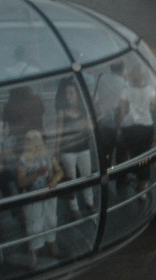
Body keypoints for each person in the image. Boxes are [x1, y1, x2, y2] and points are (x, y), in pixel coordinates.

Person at [16, 130, 63, 269]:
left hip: (48, 194)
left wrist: (54, 180)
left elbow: (60, 171)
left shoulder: (47, 154)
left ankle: (51, 244)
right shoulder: (23, 159)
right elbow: (21, 183)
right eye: (32, 140)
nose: (35, 143)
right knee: (34, 224)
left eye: (37, 139)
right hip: (32, 196)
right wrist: (37, 173)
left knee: (51, 219)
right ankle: (34, 252)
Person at [117, 65, 156, 192]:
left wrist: (118, 127)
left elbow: (122, 112)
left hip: (130, 127)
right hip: (146, 127)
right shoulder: (150, 89)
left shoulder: (125, 90)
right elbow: (154, 105)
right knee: (145, 155)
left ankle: (131, 176)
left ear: (131, 77)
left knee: (133, 154)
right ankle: (142, 184)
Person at [55, 78, 95, 219]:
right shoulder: (62, 112)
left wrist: (89, 127)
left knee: (87, 176)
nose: (69, 96)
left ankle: (89, 202)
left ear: (77, 94)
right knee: (71, 180)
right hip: (68, 151)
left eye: (71, 93)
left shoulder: (83, 111)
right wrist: (57, 152)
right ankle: (74, 208)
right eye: (67, 93)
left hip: (83, 148)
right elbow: (59, 133)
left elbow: (90, 129)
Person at [91, 61, 127, 170]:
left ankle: (105, 175)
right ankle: (120, 179)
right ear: (122, 69)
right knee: (121, 153)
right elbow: (122, 108)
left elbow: (95, 99)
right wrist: (120, 129)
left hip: (103, 121)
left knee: (106, 153)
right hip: (117, 122)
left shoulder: (102, 78)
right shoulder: (123, 83)